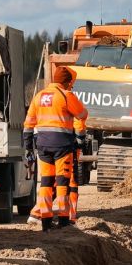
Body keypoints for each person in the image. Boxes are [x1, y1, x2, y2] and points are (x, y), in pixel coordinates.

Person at [23, 65, 89, 231]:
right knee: (62, 182)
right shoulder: (66, 95)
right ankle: (63, 220)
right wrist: (80, 137)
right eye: (71, 83)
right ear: (67, 82)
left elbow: (28, 123)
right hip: (62, 145)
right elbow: (82, 114)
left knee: (45, 182)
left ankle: (45, 221)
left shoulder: (39, 96)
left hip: (42, 145)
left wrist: (28, 146)